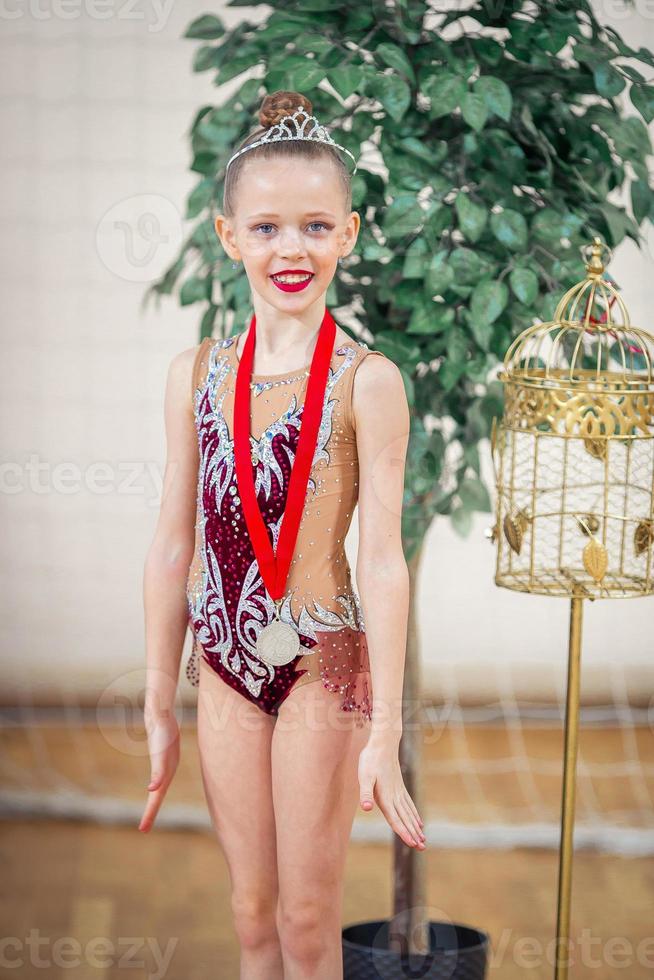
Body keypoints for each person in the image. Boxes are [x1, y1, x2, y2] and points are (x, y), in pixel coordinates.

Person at [140, 89, 425, 979]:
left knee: (308, 918)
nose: (289, 249)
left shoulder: (368, 381)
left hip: (323, 660)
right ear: (230, 238)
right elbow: (172, 544)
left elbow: (381, 559)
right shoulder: (195, 373)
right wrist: (156, 701)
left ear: (347, 233)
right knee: (251, 914)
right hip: (225, 659)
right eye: (265, 229)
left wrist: (385, 730)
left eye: (313, 226)